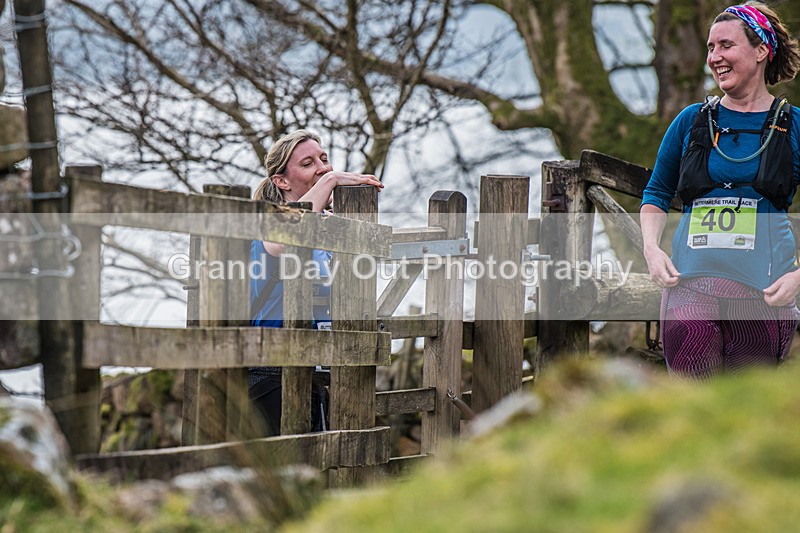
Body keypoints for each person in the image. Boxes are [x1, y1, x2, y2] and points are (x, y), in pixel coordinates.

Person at [640, 2, 800, 380]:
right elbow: (656, 193)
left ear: (761, 50)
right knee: (693, 401)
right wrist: (651, 248)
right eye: (711, 48)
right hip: (690, 288)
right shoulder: (690, 121)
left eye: (726, 45)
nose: (715, 57)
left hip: (764, 296)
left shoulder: (793, 126)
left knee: (741, 416)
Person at [249, 129, 383, 435]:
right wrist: (330, 180)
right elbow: (287, 236)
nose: (322, 166)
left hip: (319, 375)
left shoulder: (325, 233)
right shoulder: (263, 224)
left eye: (324, 159)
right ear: (281, 181)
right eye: (308, 163)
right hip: (270, 377)